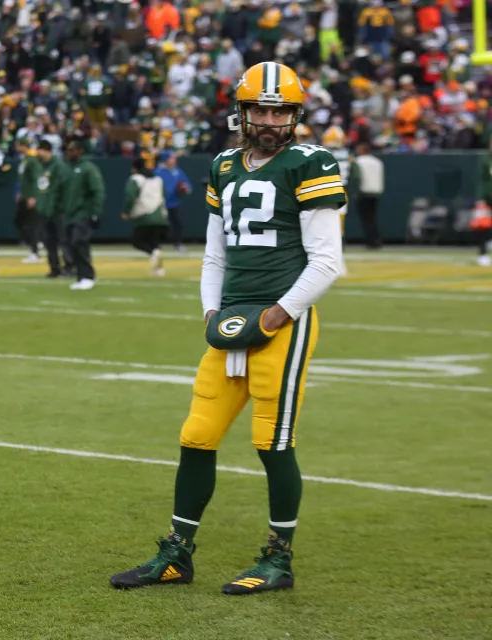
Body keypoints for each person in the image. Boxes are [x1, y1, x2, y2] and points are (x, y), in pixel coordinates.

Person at [110, 62, 345, 594]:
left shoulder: (309, 163)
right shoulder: (223, 164)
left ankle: (278, 559)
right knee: (197, 434)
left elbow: (327, 260)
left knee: (272, 442)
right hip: (232, 317)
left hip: (282, 320)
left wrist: (278, 313)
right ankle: (177, 554)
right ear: (241, 112)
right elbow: (215, 254)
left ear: (294, 114)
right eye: (260, 109)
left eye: (279, 110)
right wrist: (211, 314)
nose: (268, 120)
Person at [62, 137, 105, 291]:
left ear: (80, 151)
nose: (69, 153)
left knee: (79, 242)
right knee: (72, 246)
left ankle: (88, 275)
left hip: (84, 212)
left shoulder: (88, 168)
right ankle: (81, 276)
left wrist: (95, 212)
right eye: (68, 150)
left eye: (72, 150)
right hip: (71, 213)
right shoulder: (67, 169)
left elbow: (97, 191)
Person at [122, 158, 169, 276]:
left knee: (137, 241)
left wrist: (126, 211)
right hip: (161, 216)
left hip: (145, 216)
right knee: (155, 244)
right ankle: (158, 269)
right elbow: (163, 196)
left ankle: (154, 255)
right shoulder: (158, 179)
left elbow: (130, 197)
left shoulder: (136, 179)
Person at [34, 139, 73, 278]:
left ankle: (69, 266)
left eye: (40, 150)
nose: (37, 153)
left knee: (63, 240)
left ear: (47, 151)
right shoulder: (40, 166)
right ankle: (54, 267)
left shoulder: (58, 166)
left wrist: (57, 205)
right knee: (48, 241)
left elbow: (60, 189)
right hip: (44, 210)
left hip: (58, 210)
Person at [154, 151, 192, 252]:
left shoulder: (177, 171)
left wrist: (185, 188)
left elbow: (187, 186)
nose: (174, 160)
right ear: (166, 159)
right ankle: (156, 245)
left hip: (174, 203)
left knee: (177, 224)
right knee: (159, 225)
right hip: (160, 203)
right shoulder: (158, 172)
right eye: (172, 158)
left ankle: (178, 244)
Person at [351, 143, 384, 249]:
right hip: (376, 192)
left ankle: (370, 241)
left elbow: (357, 177)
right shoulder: (377, 161)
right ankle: (376, 239)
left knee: (366, 218)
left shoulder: (358, 161)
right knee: (372, 217)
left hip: (364, 193)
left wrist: (356, 191)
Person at [15, 136, 42, 264]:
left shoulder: (32, 161)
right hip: (24, 195)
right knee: (20, 221)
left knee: (32, 224)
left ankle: (35, 251)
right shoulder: (24, 160)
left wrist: (34, 196)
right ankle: (35, 244)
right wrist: (20, 192)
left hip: (30, 196)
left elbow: (36, 179)